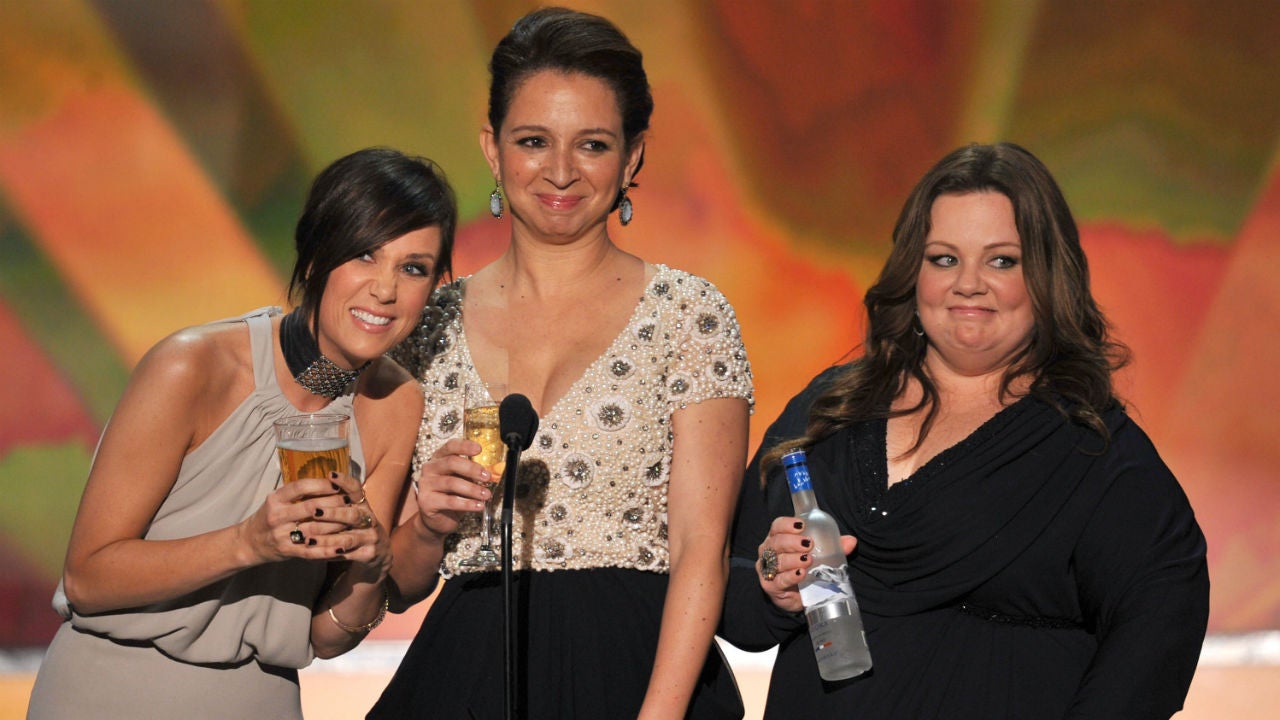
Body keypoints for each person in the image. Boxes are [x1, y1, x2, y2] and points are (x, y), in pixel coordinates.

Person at [719, 143, 1209, 719]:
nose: (968, 284)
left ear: (1047, 276)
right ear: (913, 272)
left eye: (1002, 261)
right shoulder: (832, 408)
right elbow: (734, 602)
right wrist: (774, 586)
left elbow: (1159, 632)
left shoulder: (1091, 448)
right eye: (944, 259)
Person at [370, 7, 752, 719]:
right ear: (493, 149)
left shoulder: (688, 315)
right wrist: (427, 522)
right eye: (533, 141)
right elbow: (395, 584)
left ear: (632, 158)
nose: (560, 171)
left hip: (636, 671)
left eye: (593, 145)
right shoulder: (426, 326)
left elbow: (701, 551)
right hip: (466, 673)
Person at [27, 147, 458, 720]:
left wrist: (370, 564)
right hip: (108, 691)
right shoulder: (193, 366)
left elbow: (327, 636)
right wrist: (248, 542)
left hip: (260, 698)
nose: (385, 289)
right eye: (363, 255)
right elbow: (87, 577)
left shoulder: (395, 404)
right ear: (315, 257)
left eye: (413, 268)